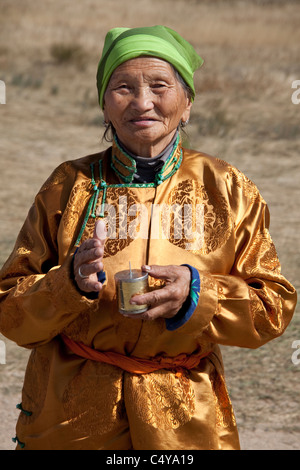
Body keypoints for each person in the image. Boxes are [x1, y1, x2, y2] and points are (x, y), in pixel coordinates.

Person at [0, 25, 297, 451]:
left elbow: (273, 307)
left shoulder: (228, 188)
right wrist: (68, 284)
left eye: (160, 85)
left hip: (185, 420)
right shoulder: (68, 185)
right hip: (71, 417)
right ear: (104, 105)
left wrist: (197, 294)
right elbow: (9, 311)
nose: (142, 102)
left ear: (188, 103)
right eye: (122, 87)